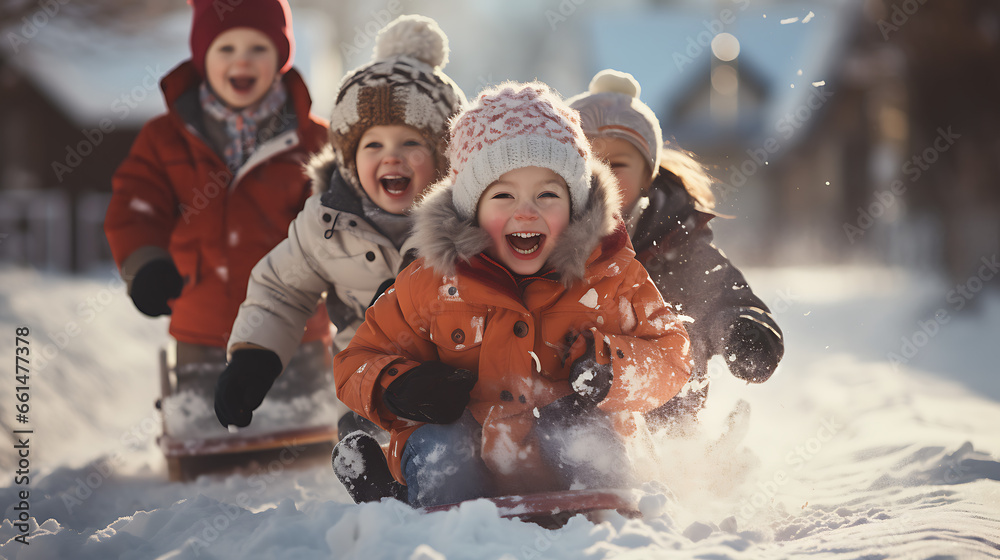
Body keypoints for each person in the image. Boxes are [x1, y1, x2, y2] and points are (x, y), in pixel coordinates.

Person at [331, 82, 692, 507]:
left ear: (575, 206)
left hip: (571, 458)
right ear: (471, 209)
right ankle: (406, 501)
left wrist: (613, 368)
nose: (526, 211)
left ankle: (601, 507)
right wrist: (397, 385)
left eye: (548, 195)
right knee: (443, 447)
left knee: (582, 431)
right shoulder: (430, 282)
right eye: (503, 195)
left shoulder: (613, 276)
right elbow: (355, 361)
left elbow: (673, 356)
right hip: (472, 449)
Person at [213, 15, 467, 430]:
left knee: (446, 455)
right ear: (349, 160)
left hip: (459, 388)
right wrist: (253, 356)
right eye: (372, 144)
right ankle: (369, 464)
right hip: (369, 391)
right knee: (364, 452)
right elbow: (282, 288)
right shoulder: (325, 223)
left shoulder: (469, 221)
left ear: (445, 158)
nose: (391, 157)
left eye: (410, 142)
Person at [104, 0, 330, 415]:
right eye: (226, 49)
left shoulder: (313, 143)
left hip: (296, 328)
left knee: (301, 422)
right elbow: (137, 206)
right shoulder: (165, 138)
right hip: (201, 322)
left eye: (258, 49)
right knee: (207, 421)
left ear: (281, 59)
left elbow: (334, 222)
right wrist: (145, 263)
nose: (241, 60)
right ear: (203, 57)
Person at [567, 69, 784, 427]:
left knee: (684, 323)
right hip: (574, 388)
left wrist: (741, 327)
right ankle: (567, 447)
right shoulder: (543, 234)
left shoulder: (674, 235)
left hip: (662, 407)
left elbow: (719, 288)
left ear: (647, 175)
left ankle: (678, 448)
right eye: (585, 162)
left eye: (617, 164)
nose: (599, 174)